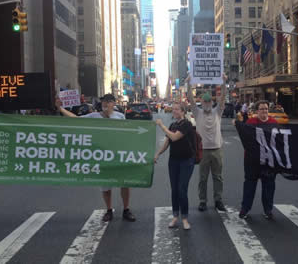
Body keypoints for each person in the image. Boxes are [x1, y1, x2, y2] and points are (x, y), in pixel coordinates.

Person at [56, 93, 136, 223]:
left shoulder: (120, 117)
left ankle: (126, 210)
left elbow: (127, 133)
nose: (105, 104)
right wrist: (60, 109)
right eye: (103, 101)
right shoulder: (94, 116)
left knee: (125, 183)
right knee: (105, 186)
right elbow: (75, 119)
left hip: (118, 156)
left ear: (113, 104)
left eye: (108, 101)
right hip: (102, 156)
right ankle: (109, 210)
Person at [186, 74, 227, 212]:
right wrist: (188, 84)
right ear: (202, 103)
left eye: (209, 102)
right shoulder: (197, 113)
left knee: (218, 177)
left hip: (217, 150)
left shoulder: (217, 112)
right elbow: (190, 100)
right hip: (202, 151)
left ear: (212, 103)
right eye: (205, 102)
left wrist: (224, 82)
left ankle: (218, 200)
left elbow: (222, 99)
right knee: (202, 178)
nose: (207, 104)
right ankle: (202, 201)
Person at [154, 103, 195, 230]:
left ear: (183, 112)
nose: (174, 111)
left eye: (177, 109)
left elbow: (174, 137)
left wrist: (161, 125)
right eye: (174, 109)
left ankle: (185, 218)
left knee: (182, 189)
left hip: (186, 161)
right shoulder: (173, 125)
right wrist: (158, 154)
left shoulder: (186, 124)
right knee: (174, 190)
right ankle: (175, 216)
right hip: (173, 161)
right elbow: (167, 142)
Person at [239, 100, 278, 220]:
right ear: (257, 111)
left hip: (268, 161)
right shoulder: (251, 122)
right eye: (261, 109)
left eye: (266, 109)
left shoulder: (274, 123)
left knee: (269, 186)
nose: (264, 111)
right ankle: (245, 209)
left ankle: (268, 210)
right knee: (249, 185)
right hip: (252, 161)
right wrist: (237, 123)